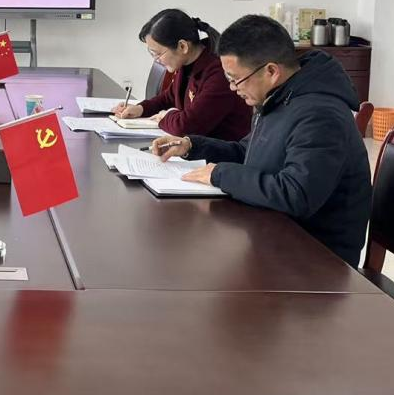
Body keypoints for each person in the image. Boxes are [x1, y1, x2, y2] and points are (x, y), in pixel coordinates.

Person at [151, 14, 371, 266]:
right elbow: (248, 152)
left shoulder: (321, 115)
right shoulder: (279, 95)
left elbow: (296, 195)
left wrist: (220, 174)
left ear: (271, 71)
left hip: (316, 260)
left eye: (235, 79)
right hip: (273, 234)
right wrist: (192, 145)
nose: (232, 88)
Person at [114, 9, 250, 141]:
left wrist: (166, 116)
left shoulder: (219, 73)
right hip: (197, 147)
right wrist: (140, 108)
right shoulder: (187, 64)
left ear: (182, 46)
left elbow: (186, 127)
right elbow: (168, 98)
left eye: (157, 54)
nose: (156, 60)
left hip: (222, 151)